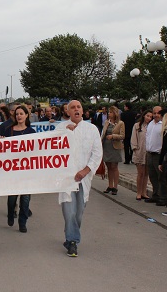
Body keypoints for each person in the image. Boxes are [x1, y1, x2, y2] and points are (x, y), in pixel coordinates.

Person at [56, 100, 102, 257]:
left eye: (78, 107)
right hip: (67, 178)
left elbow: (97, 153)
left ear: (83, 111)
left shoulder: (92, 129)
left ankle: (70, 233)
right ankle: (73, 241)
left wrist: (86, 170)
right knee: (69, 211)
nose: (76, 110)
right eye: (72, 108)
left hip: (83, 177)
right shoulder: (60, 128)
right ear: (67, 112)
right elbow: (52, 150)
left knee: (78, 213)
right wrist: (65, 134)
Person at [0, 105, 36, 233]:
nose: (19, 116)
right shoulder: (8, 130)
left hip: (26, 171)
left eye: (21, 113)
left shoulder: (32, 132)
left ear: (26, 115)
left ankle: (22, 222)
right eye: (17, 114)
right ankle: (11, 214)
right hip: (12, 170)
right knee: (12, 199)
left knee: (25, 199)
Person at [145, 106, 167, 206]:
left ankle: (163, 197)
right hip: (150, 153)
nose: (156, 115)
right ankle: (155, 195)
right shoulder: (150, 124)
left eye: (158, 113)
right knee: (152, 176)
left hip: (158, 155)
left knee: (161, 178)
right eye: (154, 113)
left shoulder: (163, 124)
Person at [101, 105, 125, 195]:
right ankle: (110, 185)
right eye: (108, 112)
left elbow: (122, 135)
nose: (109, 114)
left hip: (115, 146)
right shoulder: (107, 122)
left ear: (115, 113)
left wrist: (113, 136)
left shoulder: (120, 123)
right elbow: (103, 133)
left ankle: (115, 187)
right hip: (106, 146)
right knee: (109, 167)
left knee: (114, 166)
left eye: (111, 112)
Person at [131, 110, 152, 200]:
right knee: (140, 173)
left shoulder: (151, 126)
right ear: (144, 116)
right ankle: (138, 192)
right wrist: (135, 148)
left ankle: (144, 192)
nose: (149, 118)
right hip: (139, 152)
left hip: (148, 152)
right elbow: (133, 139)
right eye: (147, 116)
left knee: (146, 173)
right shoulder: (137, 126)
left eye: (150, 117)